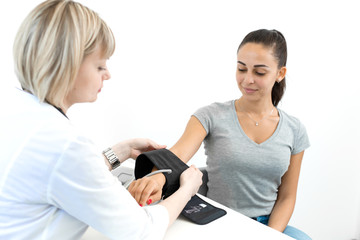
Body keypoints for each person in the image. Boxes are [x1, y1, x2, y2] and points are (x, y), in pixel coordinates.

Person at [0, 0, 203, 239]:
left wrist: (120, 151)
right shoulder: (65, 145)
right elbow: (141, 230)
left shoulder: (15, 108)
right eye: (99, 66)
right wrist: (188, 188)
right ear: (68, 65)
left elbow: (55, 175)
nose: (108, 74)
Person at [129, 29, 311, 240]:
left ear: (280, 73)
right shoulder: (211, 116)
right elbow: (178, 154)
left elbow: (287, 197)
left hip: (268, 225)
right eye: (241, 69)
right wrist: (157, 178)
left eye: (259, 72)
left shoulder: (294, 130)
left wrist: (269, 236)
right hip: (220, 220)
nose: (247, 79)